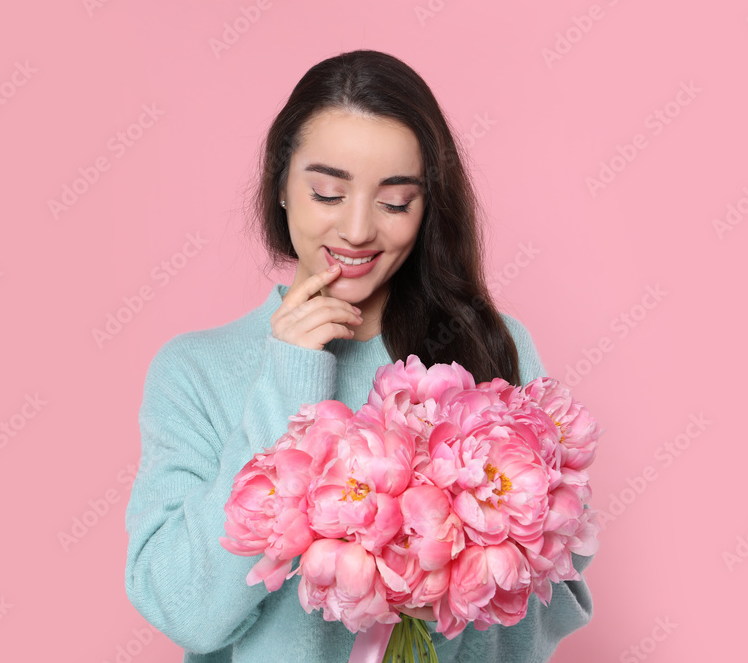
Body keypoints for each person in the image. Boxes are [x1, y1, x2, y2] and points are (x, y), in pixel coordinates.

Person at [124, 49, 593, 663]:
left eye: (395, 202)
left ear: (427, 209)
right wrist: (290, 375)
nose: (356, 230)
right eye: (326, 193)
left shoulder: (491, 344)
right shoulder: (195, 371)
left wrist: (447, 575)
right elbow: (182, 608)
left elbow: (556, 597)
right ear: (282, 189)